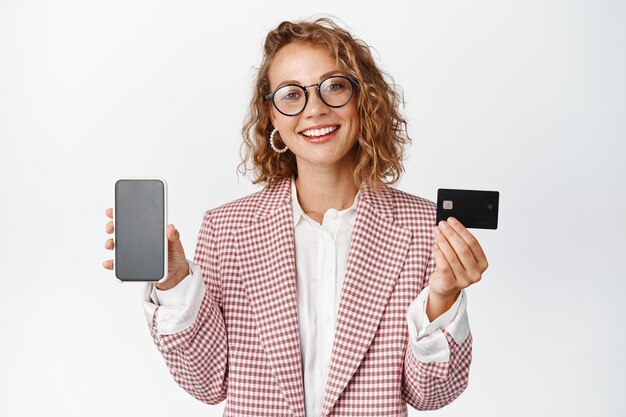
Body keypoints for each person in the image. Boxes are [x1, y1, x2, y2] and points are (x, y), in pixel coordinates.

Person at [103, 17, 488, 417]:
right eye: (291, 94)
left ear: (364, 98)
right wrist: (174, 281)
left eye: (334, 86)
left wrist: (443, 296)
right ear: (271, 114)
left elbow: (430, 396)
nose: (315, 109)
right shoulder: (227, 229)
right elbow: (207, 383)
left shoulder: (422, 227)